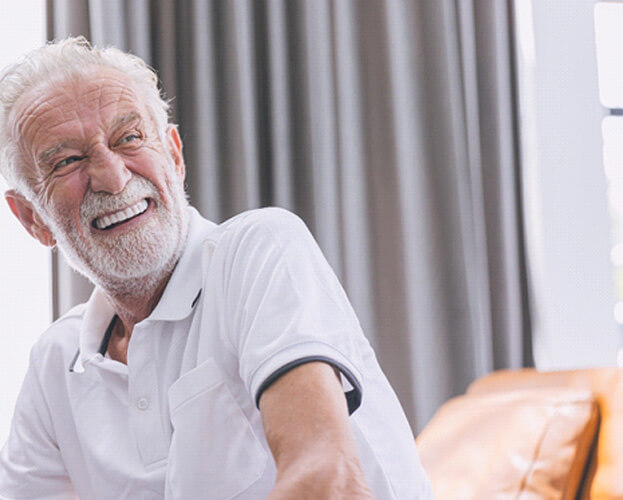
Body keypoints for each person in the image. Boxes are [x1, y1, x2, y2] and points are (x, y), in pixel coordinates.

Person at [0, 37, 433, 499]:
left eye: (128, 138)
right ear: (33, 219)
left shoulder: (259, 250)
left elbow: (328, 480)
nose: (113, 176)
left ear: (175, 155)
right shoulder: (56, 364)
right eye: (68, 161)